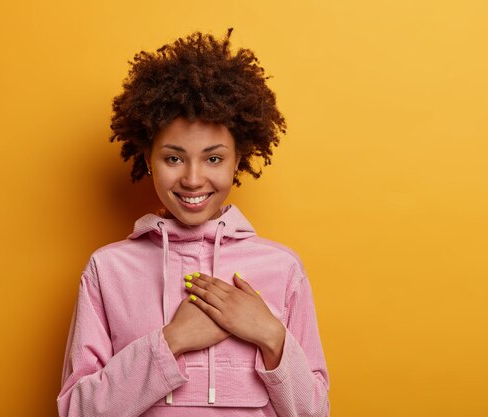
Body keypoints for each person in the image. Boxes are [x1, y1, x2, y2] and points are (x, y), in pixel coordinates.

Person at [57, 29, 330, 417]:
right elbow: (77, 412)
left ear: (239, 160)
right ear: (148, 158)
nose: (193, 179)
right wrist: (172, 341)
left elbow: (314, 412)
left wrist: (270, 335)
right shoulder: (108, 269)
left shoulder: (283, 269)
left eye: (214, 159)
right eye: (173, 158)